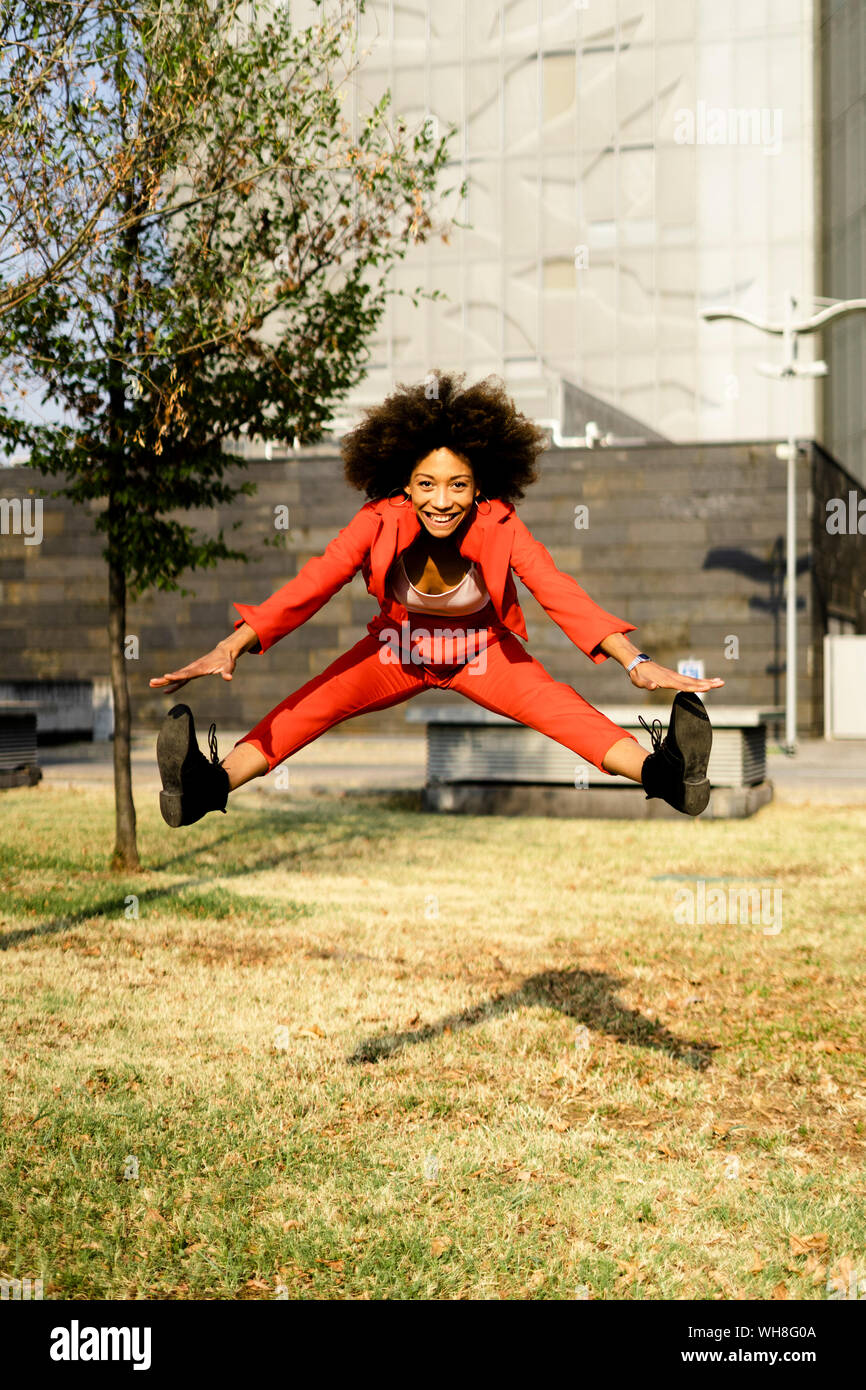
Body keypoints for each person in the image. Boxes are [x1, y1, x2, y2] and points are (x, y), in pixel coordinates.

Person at [150, 373, 724, 825]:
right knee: (309, 706)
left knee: (562, 711)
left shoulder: (499, 523)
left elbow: (556, 589)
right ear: (405, 483)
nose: (441, 500)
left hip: (482, 651)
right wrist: (233, 645)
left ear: (480, 487)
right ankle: (204, 790)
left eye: (457, 486)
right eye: (426, 483)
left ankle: (669, 776)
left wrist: (636, 662)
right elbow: (313, 584)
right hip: (398, 649)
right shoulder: (377, 521)